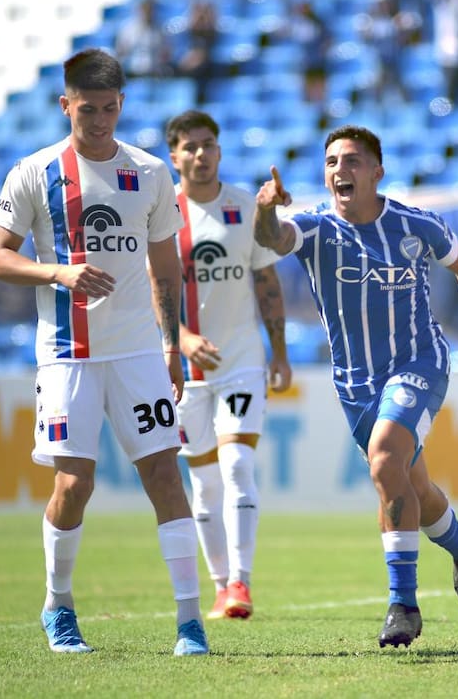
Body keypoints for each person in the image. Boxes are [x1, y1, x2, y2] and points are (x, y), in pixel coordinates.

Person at [0, 48, 208, 656]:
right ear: (66, 105)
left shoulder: (151, 173)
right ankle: (58, 606)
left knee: (165, 474)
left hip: (137, 352)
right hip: (67, 352)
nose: (101, 121)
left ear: (123, 105)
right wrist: (59, 272)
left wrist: (171, 342)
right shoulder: (34, 172)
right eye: (88, 111)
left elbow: (167, 267)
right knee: (74, 484)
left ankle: (190, 622)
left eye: (110, 109)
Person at [252, 125, 458, 648]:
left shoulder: (417, 225)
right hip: (355, 383)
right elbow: (271, 239)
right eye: (330, 162)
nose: (339, 171)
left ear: (377, 171)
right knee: (413, 488)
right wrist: (264, 209)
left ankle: (403, 605)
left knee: (384, 458)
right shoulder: (315, 229)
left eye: (351, 160)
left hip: (419, 363)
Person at [163, 109, 292, 621]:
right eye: (189, 146)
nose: (200, 154)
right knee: (204, 483)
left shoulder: (244, 206)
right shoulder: (159, 214)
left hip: (241, 359)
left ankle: (240, 584)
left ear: (219, 150)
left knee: (237, 464)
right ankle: (220, 586)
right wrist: (180, 338)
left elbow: (267, 283)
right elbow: (139, 294)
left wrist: (279, 351)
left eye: (208, 144)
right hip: (181, 369)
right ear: (174, 155)